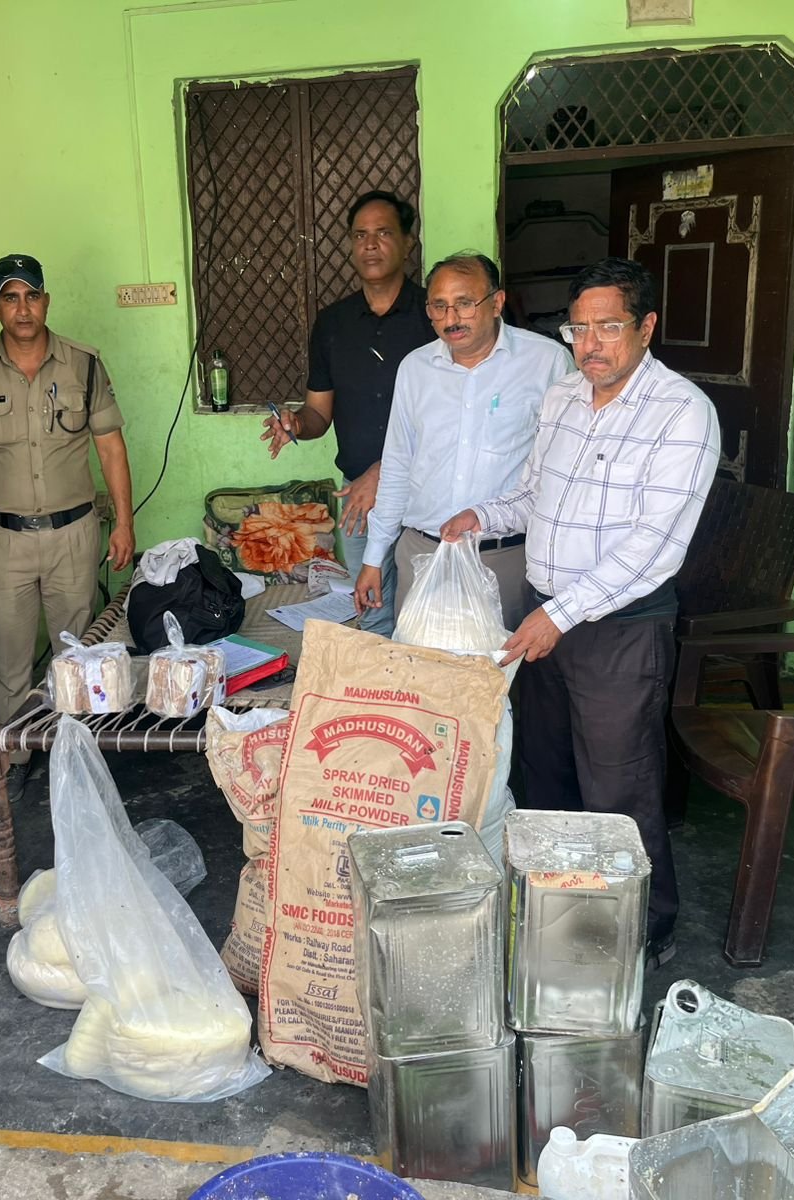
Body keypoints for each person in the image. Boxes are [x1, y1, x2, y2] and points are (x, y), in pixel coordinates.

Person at [440, 257, 721, 965]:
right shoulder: (564, 397)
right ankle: (563, 912)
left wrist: (560, 615)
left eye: (608, 327)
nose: (590, 344)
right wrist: (482, 516)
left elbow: (654, 545)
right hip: (547, 618)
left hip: (618, 631)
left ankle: (644, 929)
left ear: (646, 326)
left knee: (619, 787)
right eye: (578, 329)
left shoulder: (682, 412)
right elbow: (535, 496)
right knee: (546, 774)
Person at [0, 254, 135, 799]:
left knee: (77, 655)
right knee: (9, 661)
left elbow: (110, 447)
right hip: (2, 540)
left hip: (73, 534)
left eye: (31, 295)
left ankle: (76, 754)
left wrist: (123, 523)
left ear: (46, 301)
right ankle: (16, 758)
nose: (23, 308)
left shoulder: (84, 364)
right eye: (11, 297)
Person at [354, 252, 573, 630]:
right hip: (422, 553)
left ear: (497, 303)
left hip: (502, 559)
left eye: (465, 303)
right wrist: (373, 558)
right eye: (439, 306)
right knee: (418, 664)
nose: (451, 318)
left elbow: (565, 469)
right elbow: (398, 465)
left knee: (497, 665)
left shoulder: (547, 362)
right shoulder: (415, 368)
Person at [262, 190, 435, 635]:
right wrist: (296, 423)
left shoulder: (433, 318)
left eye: (383, 233)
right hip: (358, 497)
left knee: (427, 615)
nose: (370, 245)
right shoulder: (333, 324)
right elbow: (319, 414)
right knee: (373, 615)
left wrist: (385, 471)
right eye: (360, 235)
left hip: (428, 493)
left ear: (408, 243)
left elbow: (451, 418)